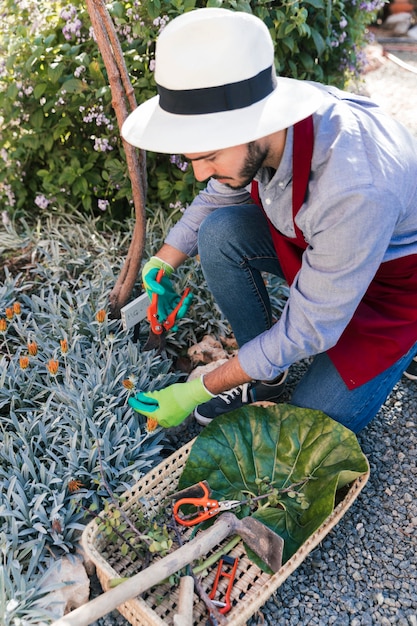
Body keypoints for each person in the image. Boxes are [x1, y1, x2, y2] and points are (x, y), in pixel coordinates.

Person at [121, 8, 417, 434]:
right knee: (220, 232)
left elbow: (310, 329)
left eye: (208, 157)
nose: (201, 173)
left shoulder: (353, 186)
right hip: (332, 254)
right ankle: (264, 376)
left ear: (257, 124)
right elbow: (218, 197)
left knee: (306, 428)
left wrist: (200, 387)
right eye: (193, 158)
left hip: (389, 291)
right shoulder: (270, 132)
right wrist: (162, 264)